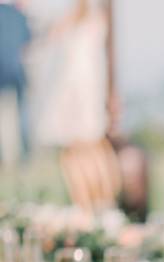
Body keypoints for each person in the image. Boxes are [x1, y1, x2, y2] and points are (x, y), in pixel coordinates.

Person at [33, 0, 118, 210]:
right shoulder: (99, 16)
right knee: (90, 148)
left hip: (75, 89)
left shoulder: (79, 16)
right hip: (87, 87)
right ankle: (100, 204)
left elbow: (45, 40)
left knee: (77, 151)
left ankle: (90, 205)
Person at [0, 0, 30, 168]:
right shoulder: (19, 15)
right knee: (22, 114)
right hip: (16, 70)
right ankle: (25, 155)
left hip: (2, 69)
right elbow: (27, 42)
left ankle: (3, 157)